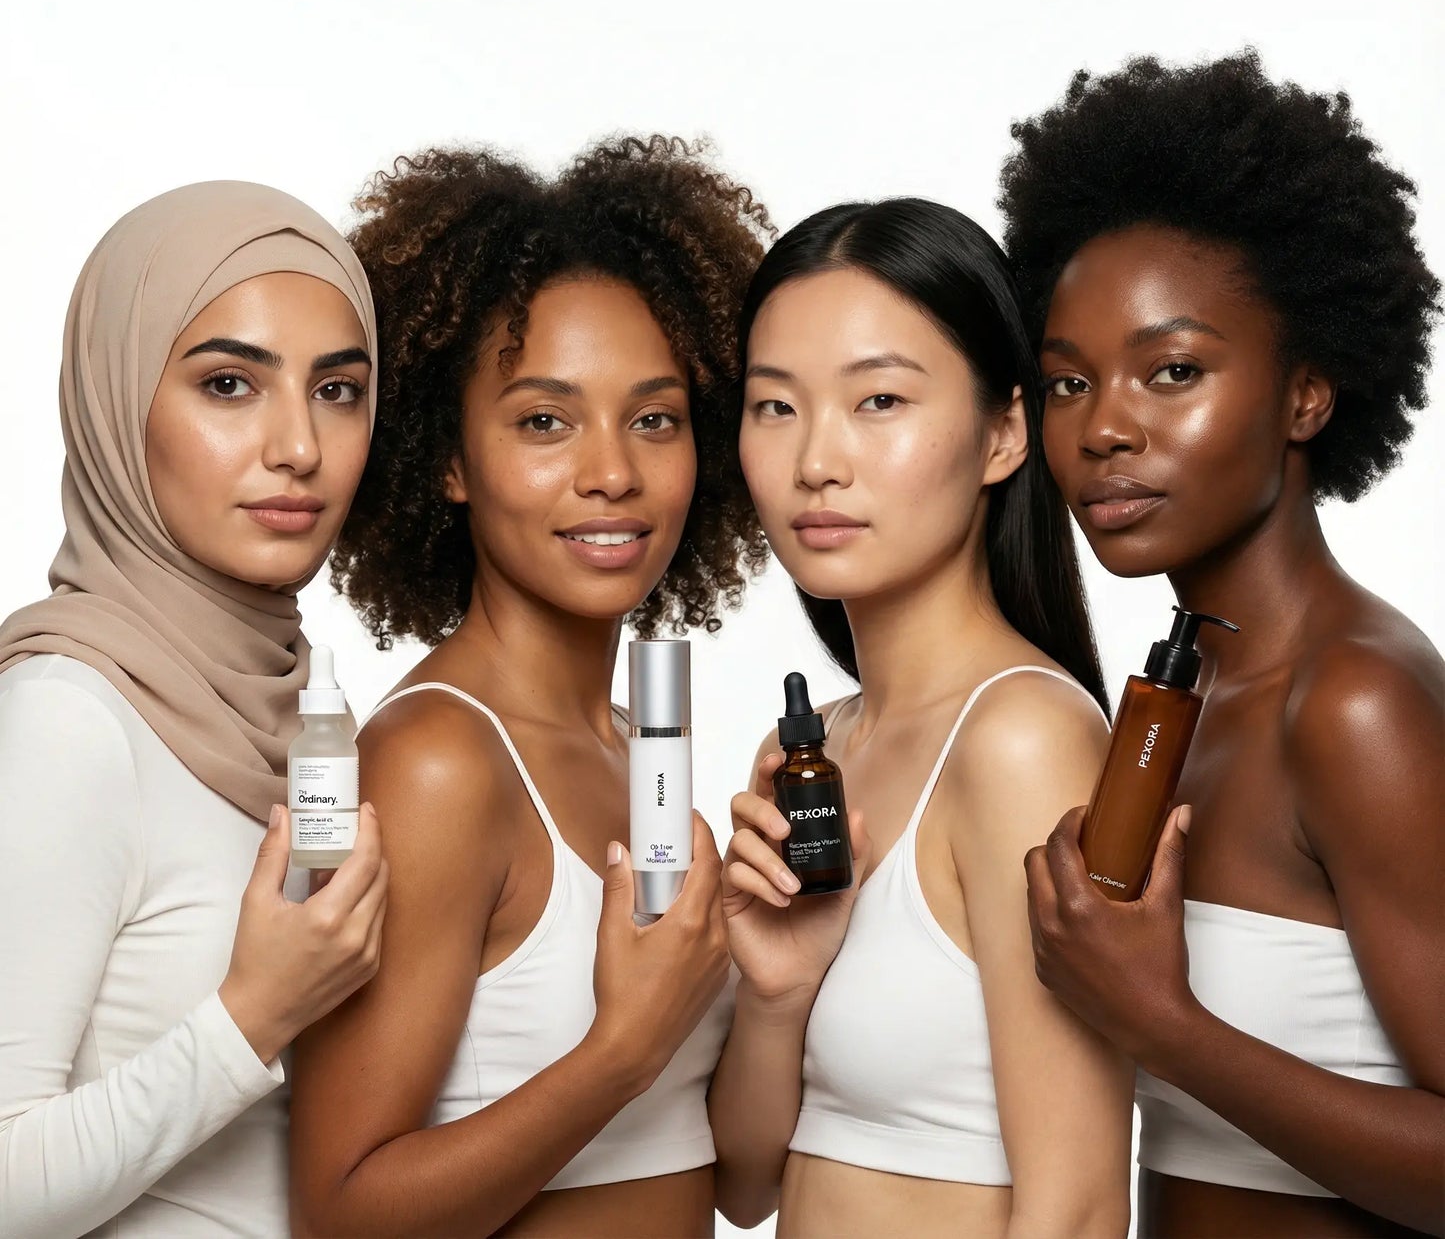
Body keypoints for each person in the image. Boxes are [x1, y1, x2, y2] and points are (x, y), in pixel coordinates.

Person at [288, 137, 773, 1237]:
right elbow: (339, 1209)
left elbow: (735, 1184)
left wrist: (779, 991)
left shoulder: (635, 748)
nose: (611, 469)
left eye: (654, 416)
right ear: (447, 459)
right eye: (544, 420)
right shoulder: (438, 762)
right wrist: (623, 1047)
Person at [1003, 51, 1444, 1238]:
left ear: (1304, 393)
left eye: (1173, 371)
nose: (1102, 427)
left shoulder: (1352, 700)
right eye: (1064, 384)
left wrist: (1165, 1026)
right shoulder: (1174, 698)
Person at [709, 197, 1134, 1238]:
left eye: (879, 400)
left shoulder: (1019, 740)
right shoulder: (808, 750)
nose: (816, 460)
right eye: (774, 406)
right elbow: (746, 1182)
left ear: (1001, 433)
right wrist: (773, 991)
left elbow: (1076, 1205)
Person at [0, 181, 389, 1238]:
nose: (298, 446)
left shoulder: (308, 711)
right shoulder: (69, 716)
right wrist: (253, 1013)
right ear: (119, 398)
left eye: (339, 390)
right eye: (229, 383)